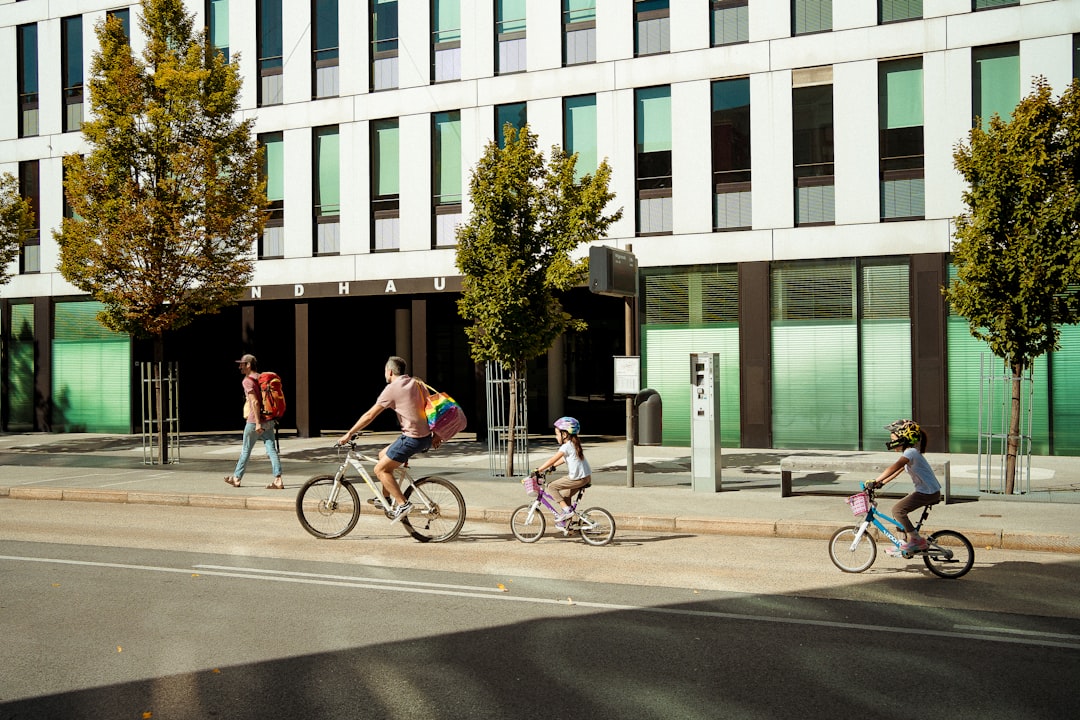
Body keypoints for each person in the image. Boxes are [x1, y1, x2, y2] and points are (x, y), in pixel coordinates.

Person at [338, 356, 433, 522]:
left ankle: (403, 503)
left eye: (384, 371)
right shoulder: (417, 383)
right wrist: (437, 435)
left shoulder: (392, 388)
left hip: (412, 438)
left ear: (389, 371)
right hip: (424, 437)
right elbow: (432, 410)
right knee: (382, 455)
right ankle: (385, 498)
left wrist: (349, 433)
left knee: (380, 470)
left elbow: (369, 415)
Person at [867, 419, 942, 557]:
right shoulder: (911, 453)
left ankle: (916, 540)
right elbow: (897, 471)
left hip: (928, 492)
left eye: (893, 437)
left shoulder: (910, 453)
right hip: (928, 491)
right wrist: (880, 483)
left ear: (902, 437)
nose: (891, 441)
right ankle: (901, 544)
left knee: (898, 510)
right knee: (898, 511)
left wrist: (875, 480)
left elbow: (894, 467)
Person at [224, 354, 284, 490]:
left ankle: (237, 478)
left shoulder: (247, 381)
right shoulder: (261, 378)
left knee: (246, 450)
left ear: (249, 365)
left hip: (254, 422)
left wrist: (257, 423)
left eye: (242, 364)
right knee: (271, 449)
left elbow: (255, 402)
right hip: (268, 420)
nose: (240, 366)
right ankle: (278, 479)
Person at [535, 417, 592, 529]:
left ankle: (566, 511)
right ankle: (568, 524)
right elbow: (563, 459)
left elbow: (553, 459)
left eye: (557, 434)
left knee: (551, 487)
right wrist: (552, 467)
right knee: (565, 496)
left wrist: (538, 470)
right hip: (585, 477)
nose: (556, 437)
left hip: (577, 478)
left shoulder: (566, 446)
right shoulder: (573, 445)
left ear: (564, 434)